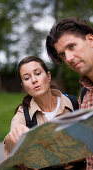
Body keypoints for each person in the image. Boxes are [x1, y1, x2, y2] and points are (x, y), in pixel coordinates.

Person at [4, 56, 78, 162]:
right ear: (23, 85)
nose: (34, 80)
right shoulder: (23, 114)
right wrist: (16, 135)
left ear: (48, 76)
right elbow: (12, 136)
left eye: (38, 73)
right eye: (27, 78)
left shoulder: (72, 103)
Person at [46, 17, 93, 170]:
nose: (69, 58)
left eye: (72, 46)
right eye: (63, 54)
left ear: (90, 40)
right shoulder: (84, 94)